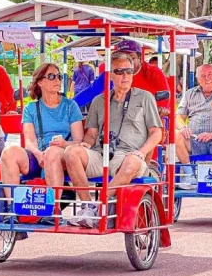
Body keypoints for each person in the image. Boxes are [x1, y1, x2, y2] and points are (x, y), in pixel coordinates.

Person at [65, 52, 162, 228]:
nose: (125, 76)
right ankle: (87, 207)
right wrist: (86, 143)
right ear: (110, 75)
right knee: (71, 152)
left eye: (129, 71)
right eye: (119, 71)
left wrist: (142, 152)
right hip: (101, 153)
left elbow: (156, 133)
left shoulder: (145, 97)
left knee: (132, 162)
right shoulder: (99, 100)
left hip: (129, 155)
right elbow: (92, 133)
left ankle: (101, 206)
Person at [0, 63, 83, 222]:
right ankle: (12, 208)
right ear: (40, 82)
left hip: (62, 154)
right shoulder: (31, 108)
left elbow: (78, 140)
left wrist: (63, 144)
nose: (57, 80)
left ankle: (53, 210)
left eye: (59, 76)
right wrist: (38, 154)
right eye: (52, 76)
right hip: (39, 154)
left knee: (52, 152)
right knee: (9, 152)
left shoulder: (70, 106)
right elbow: (29, 140)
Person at [98, 40, 170, 114]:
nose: (127, 62)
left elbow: (164, 96)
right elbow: (98, 94)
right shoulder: (110, 72)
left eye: (131, 58)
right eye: (122, 58)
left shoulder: (153, 72)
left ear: (140, 58)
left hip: (147, 114)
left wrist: (161, 108)